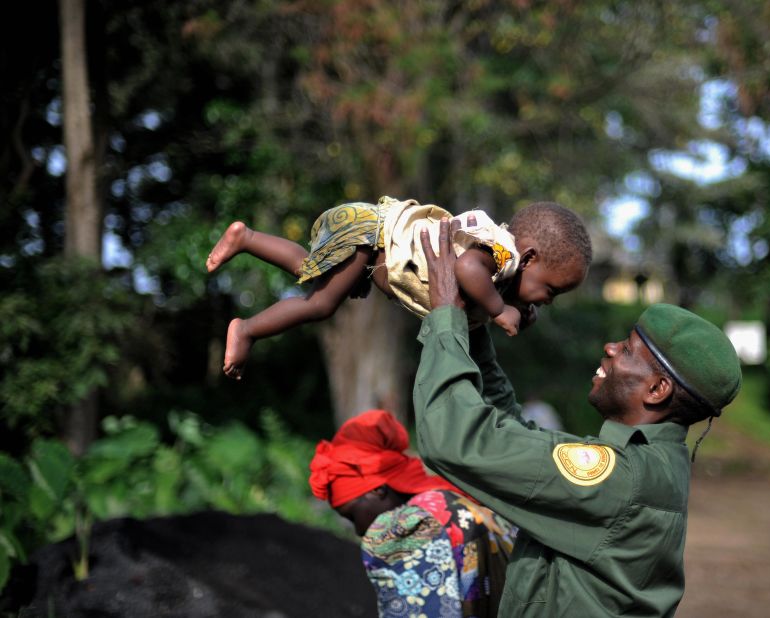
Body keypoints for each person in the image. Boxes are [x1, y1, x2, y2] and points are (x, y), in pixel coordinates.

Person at [410, 217, 743, 617]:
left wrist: (446, 319)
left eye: (628, 350)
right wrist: (475, 327)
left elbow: (454, 441)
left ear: (657, 390)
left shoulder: (621, 477)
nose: (609, 348)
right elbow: (512, 435)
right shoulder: (649, 467)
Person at [206, 196, 592, 378]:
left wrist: (518, 310)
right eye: (551, 291)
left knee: (307, 268)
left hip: (369, 228)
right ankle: (248, 329)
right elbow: (467, 270)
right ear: (528, 259)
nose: (548, 301)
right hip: (369, 233)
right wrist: (499, 310)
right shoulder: (500, 255)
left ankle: (247, 238)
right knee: (320, 304)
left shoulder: (502, 256)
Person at [308, 409, 518, 618]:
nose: (359, 530)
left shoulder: (406, 528)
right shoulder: (468, 505)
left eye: (352, 515)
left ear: (376, 490)